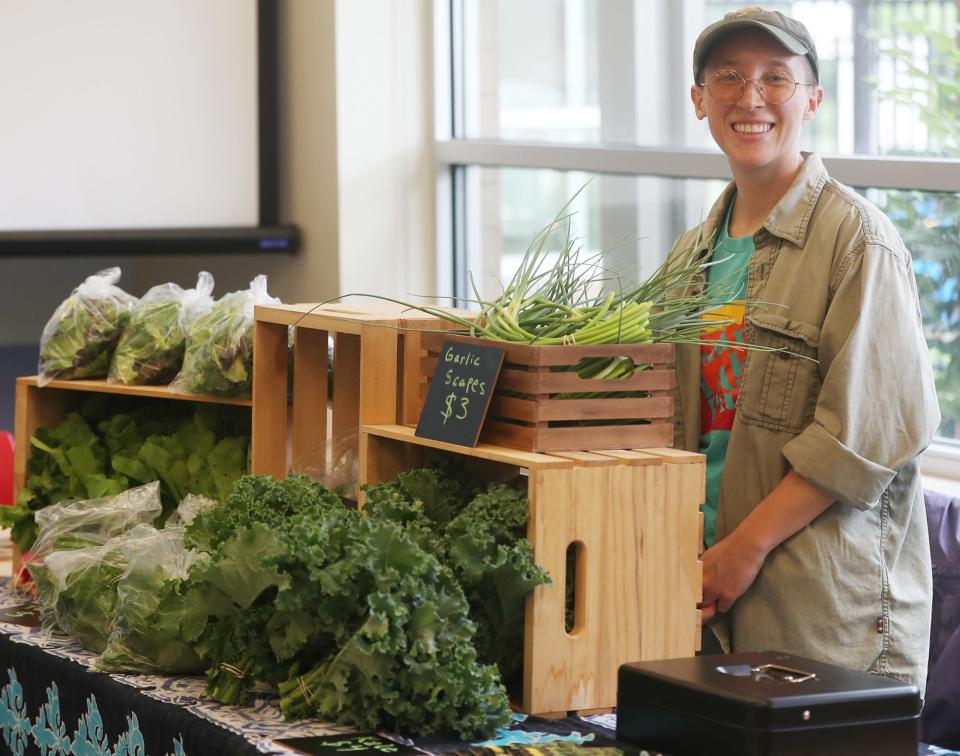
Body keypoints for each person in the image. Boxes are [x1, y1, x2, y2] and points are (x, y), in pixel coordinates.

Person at [667, 6, 941, 690]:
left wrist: (743, 549)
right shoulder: (688, 256)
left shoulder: (859, 240)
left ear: (813, 99)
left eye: (776, 78)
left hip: (814, 608)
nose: (750, 97)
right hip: (698, 590)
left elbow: (865, 438)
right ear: (698, 99)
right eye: (727, 76)